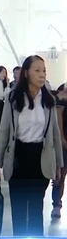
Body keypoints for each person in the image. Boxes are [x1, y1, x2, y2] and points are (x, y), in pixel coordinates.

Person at [0, 55, 63, 236]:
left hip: (40, 159)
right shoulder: (13, 98)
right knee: (18, 210)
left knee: (35, 210)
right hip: (17, 158)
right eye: (37, 70)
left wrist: (59, 163)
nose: (42, 74)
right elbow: (4, 130)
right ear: (26, 73)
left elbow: (55, 134)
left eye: (44, 70)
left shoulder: (48, 100)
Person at [53, 83, 67, 219]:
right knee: (60, 174)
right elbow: (58, 117)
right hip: (64, 141)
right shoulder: (62, 94)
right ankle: (56, 204)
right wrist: (62, 139)